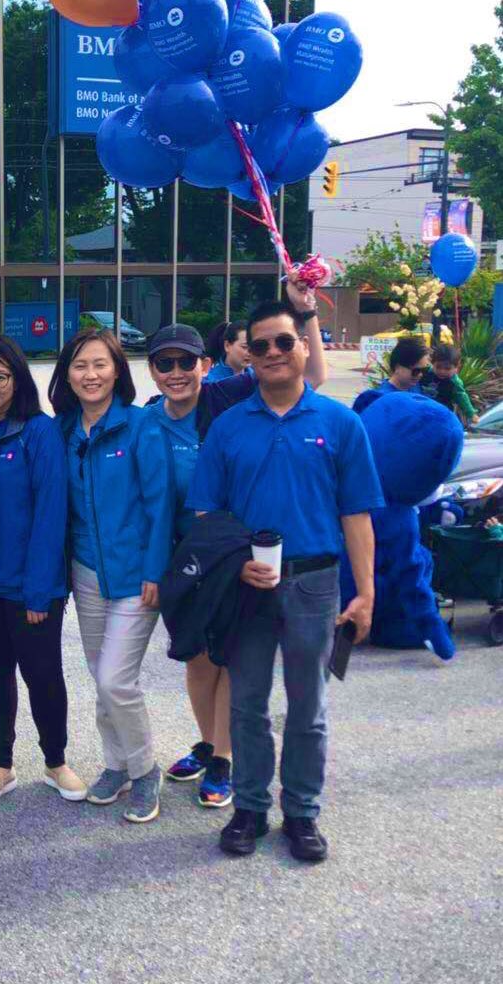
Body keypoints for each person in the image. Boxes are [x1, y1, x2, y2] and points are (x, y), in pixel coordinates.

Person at [188, 299, 383, 863]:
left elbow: (357, 515)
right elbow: (207, 514)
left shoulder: (340, 423)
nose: (272, 352)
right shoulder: (226, 426)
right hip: (247, 585)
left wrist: (365, 592)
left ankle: (301, 811)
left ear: (303, 347)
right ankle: (249, 806)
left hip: (314, 583)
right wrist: (231, 565)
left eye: (283, 342)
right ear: (246, 355)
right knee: (247, 702)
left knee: (308, 706)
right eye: (260, 345)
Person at [151, 282, 328, 797]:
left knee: (228, 658)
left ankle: (224, 759)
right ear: (153, 370)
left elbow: (310, 374)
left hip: (233, 558)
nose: (177, 374)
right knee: (195, 657)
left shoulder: (227, 396)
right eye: (165, 364)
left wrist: (305, 311)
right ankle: (207, 744)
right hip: (184, 561)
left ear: (206, 365)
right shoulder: (147, 419)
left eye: (187, 362)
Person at [0, 336, 85, 806]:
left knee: (44, 673)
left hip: (30, 587)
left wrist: (39, 592)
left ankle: (56, 761)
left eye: (0, 376)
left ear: (17, 381)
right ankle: (1, 766)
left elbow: (51, 515)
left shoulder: (39, 433)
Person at [49, 329, 174, 824]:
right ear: (67, 376)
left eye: (100, 365)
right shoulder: (63, 431)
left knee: (115, 678)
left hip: (136, 574)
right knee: (102, 676)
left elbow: (160, 504)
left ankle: (144, 769)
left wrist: (155, 569)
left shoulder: (142, 427)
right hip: (85, 572)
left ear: (117, 370)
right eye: (80, 366)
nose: (90, 375)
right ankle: (116, 763)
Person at [354, 337, 429, 413]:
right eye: (416, 371)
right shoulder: (373, 399)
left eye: (424, 370)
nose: (420, 375)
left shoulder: (419, 389)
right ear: (397, 367)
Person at [424, 344, 479, 427]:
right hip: (424, 409)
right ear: (432, 363)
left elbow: (462, 397)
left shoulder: (454, 382)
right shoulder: (427, 372)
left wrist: (471, 414)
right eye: (438, 367)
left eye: (447, 368)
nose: (442, 371)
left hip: (442, 413)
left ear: (456, 368)